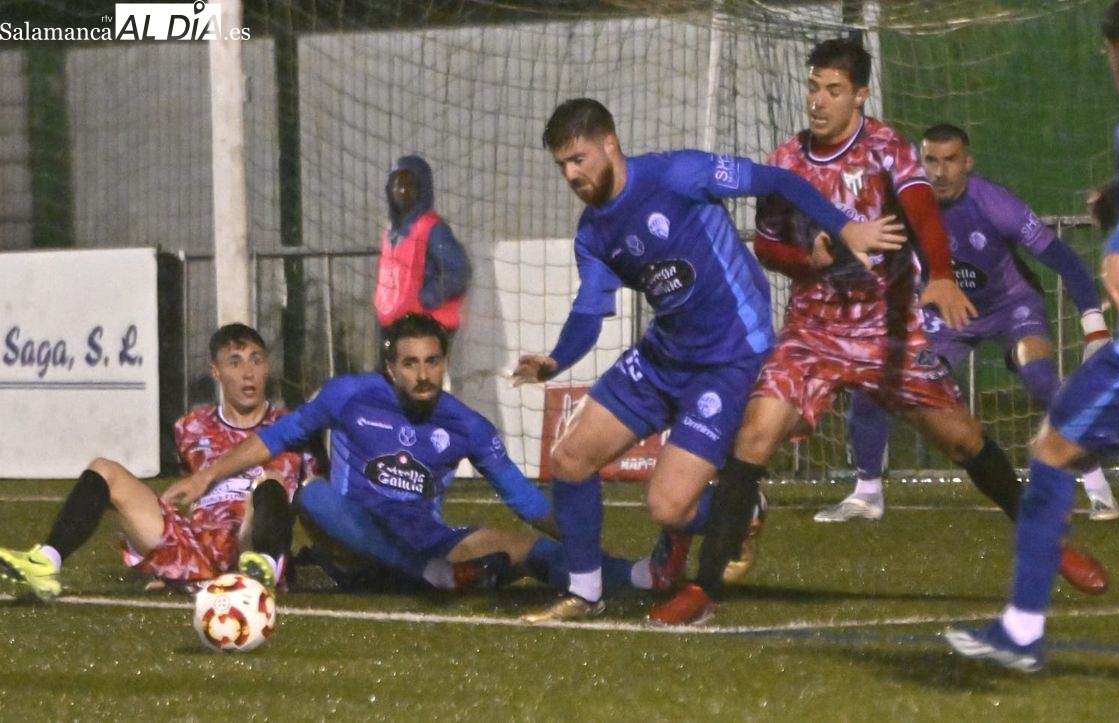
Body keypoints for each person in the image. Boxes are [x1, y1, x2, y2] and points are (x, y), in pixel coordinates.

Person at [651, 38, 1109, 625]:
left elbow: (921, 209)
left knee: (964, 440)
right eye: (813, 88)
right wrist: (809, 260)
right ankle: (704, 588)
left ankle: (1050, 543)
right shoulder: (785, 161)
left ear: (860, 95)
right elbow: (767, 245)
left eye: (833, 90)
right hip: (813, 331)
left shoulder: (887, 149)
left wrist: (940, 274)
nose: (818, 101)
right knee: (754, 437)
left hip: (886, 328)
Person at [510, 97, 908, 623]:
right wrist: (555, 361)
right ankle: (585, 594)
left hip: (729, 357)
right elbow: (589, 311)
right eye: (562, 165)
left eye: (578, 159)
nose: (571, 174)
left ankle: (742, 509)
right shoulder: (593, 233)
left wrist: (843, 226)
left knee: (668, 507)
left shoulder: (678, 174)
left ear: (610, 144)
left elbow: (776, 180)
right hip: (664, 354)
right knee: (569, 457)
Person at [946, 0, 1119, 672]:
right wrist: (1116, 200)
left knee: (1054, 451)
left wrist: (1118, 246)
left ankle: (1022, 631)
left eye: (1108, 52)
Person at [165, 312, 657, 596]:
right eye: (410, 363)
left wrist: (585, 543)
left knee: (531, 550)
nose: (423, 374)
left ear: (445, 362)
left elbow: (525, 501)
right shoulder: (349, 396)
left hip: (430, 545)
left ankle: (640, 575)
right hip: (352, 545)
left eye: (433, 361)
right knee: (312, 494)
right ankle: (431, 576)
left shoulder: (467, 426)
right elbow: (275, 438)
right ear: (390, 367)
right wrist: (206, 476)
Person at [823, 123, 1119, 524]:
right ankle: (867, 493)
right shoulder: (905, 205)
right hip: (947, 313)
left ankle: (1096, 483)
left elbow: (1065, 260)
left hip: (1012, 306)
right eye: (931, 160)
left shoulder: (996, 204)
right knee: (873, 383)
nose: (939, 172)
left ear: (968, 163)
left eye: (950, 160)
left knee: (1039, 377)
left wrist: (1094, 327)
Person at [0, 323, 316, 600]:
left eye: (256, 360)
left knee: (270, 481)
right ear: (216, 371)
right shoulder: (191, 427)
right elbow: (197, 496)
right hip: (196, 546)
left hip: (247, 550)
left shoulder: (293, 427)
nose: (248, 372)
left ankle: (263, 572)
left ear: (266, 368)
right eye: (235, 362)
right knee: (104, 470)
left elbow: (314, 494)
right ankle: (46, 561)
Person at [375, 155, 471, 337]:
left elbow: (459, 271)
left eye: (409, 185)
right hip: (393, 324)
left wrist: (428, 297)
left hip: (425, 327)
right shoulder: (389, 232)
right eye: (397, 185)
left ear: (422, 188)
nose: (402, 191)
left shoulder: (433, 229)